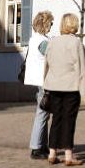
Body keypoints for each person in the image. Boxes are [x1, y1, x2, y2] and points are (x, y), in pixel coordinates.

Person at [43, 12, 85, 166]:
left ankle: (52, 153)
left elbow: (46, 64)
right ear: (74, 25)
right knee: (69, 120)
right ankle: (68, 155)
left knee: (56, 119)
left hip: (53, 86)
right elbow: (81, 68)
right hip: (71, 87)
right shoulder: (76, 43)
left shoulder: (53, 42)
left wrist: (45, 84)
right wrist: (84, 90)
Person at [24, 10, 54, 159]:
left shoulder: (34, 39)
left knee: (43, 112)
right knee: (42, 113)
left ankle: (42, 145)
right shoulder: (42, 41)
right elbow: (51, 55)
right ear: (45, 24)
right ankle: (36, 147)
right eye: (51, 23)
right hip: (44, 80)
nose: (52, 26)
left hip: (38, 80)